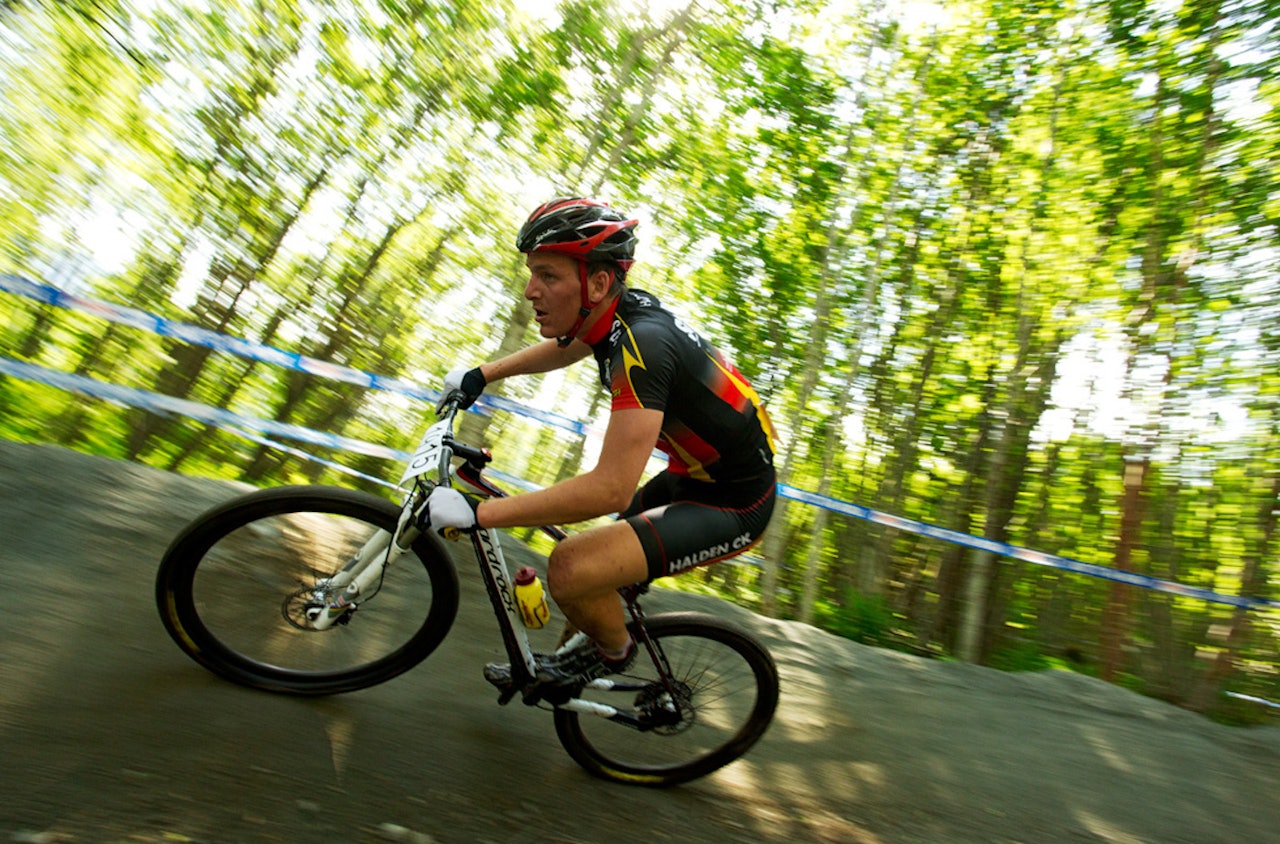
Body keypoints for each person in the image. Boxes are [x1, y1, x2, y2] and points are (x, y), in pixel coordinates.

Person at [426, 197, 778, 690]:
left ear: (597, 283)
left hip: (736, 503)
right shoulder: (616, 314)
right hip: (694, 477)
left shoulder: (643, 347)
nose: (530, 290)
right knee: (594, 574)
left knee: (571, 567)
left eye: (548, 276)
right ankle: (575, 661)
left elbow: (611, 489)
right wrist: (483, 374)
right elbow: (568, 346)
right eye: (532, 274)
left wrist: (478, 513)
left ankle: (614, 653)